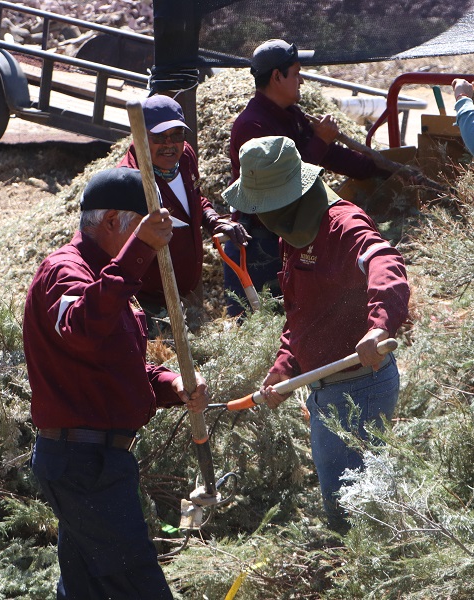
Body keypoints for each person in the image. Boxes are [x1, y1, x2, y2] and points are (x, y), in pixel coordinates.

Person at [23, 167, 209, 599]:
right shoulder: (65, 273)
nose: (159, 246)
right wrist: (139, 251)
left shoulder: (110, 280)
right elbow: (81, 327)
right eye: (145, 232)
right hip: (82, 463)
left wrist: (172, 385)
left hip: (99, 462)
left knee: (85, 588)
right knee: (137, 584)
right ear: (111, 223)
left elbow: (118, 367)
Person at [222, 136, 411, 533]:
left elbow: (384, 261)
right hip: (324, 387)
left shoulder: (343, 225)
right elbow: (302, 315)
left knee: (356, 514)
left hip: (359, 385)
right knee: (346, 500)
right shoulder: (293, 231)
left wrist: (379, 327)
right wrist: (284, 368)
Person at [223, 39, 393, 317]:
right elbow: (286, 182)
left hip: (288, 231)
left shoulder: (291, 114)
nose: (301, 81)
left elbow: (330, 156)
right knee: (260, 320)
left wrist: (380, 171)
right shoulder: (253, 126)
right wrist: (320, 141)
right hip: (259, 240)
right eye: (297, 72)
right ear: (277, 76)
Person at [119, 94, 249, 331]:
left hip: (187, 294)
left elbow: (194, 197)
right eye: (159, 136)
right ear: (140, 137)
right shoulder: (129, 179)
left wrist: (213, 220)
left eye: (177, 135)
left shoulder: (186, 156)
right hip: (150, 303)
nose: (169, 144)